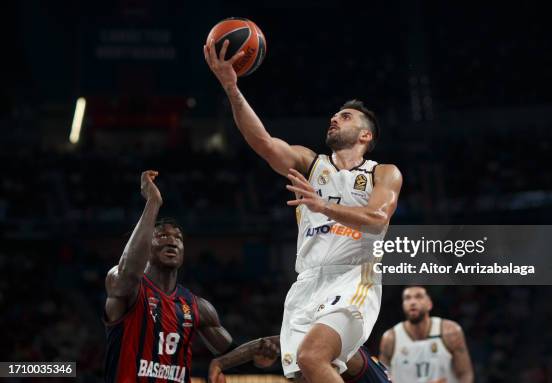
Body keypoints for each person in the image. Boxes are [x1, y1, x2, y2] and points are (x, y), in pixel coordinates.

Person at [204, 40, 403, 383]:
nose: (334, 119)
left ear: (365, 134)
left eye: (345, 116)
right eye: (335, 115)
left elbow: (377, 221)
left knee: (313, 356)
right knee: (305, 375)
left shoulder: (382, 172)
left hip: (353, 275)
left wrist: (322, 205)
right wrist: (231, 87)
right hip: (307, 282)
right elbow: (264, 143)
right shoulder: (311, 164)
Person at [104, 170, 233, 382]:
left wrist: (277, 345)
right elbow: (128, 274)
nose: (172, 241)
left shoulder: (196, 306)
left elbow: (236, 354)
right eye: (162, 235)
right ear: (146, 246)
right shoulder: (123, 283)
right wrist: (153, 202)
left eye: (178, 237)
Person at [378, 286, 474, 383]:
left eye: (418, 297)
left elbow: (465, 373)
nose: (412, 302)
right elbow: (381, 377)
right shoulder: (390, 338)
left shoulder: (450, 332)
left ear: (430, 304)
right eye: (407, 298)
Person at [208, 336, 391, 383]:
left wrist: (220, 363)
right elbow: (267, 343)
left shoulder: (352, 357)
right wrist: (219, 364)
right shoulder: (344, 349)